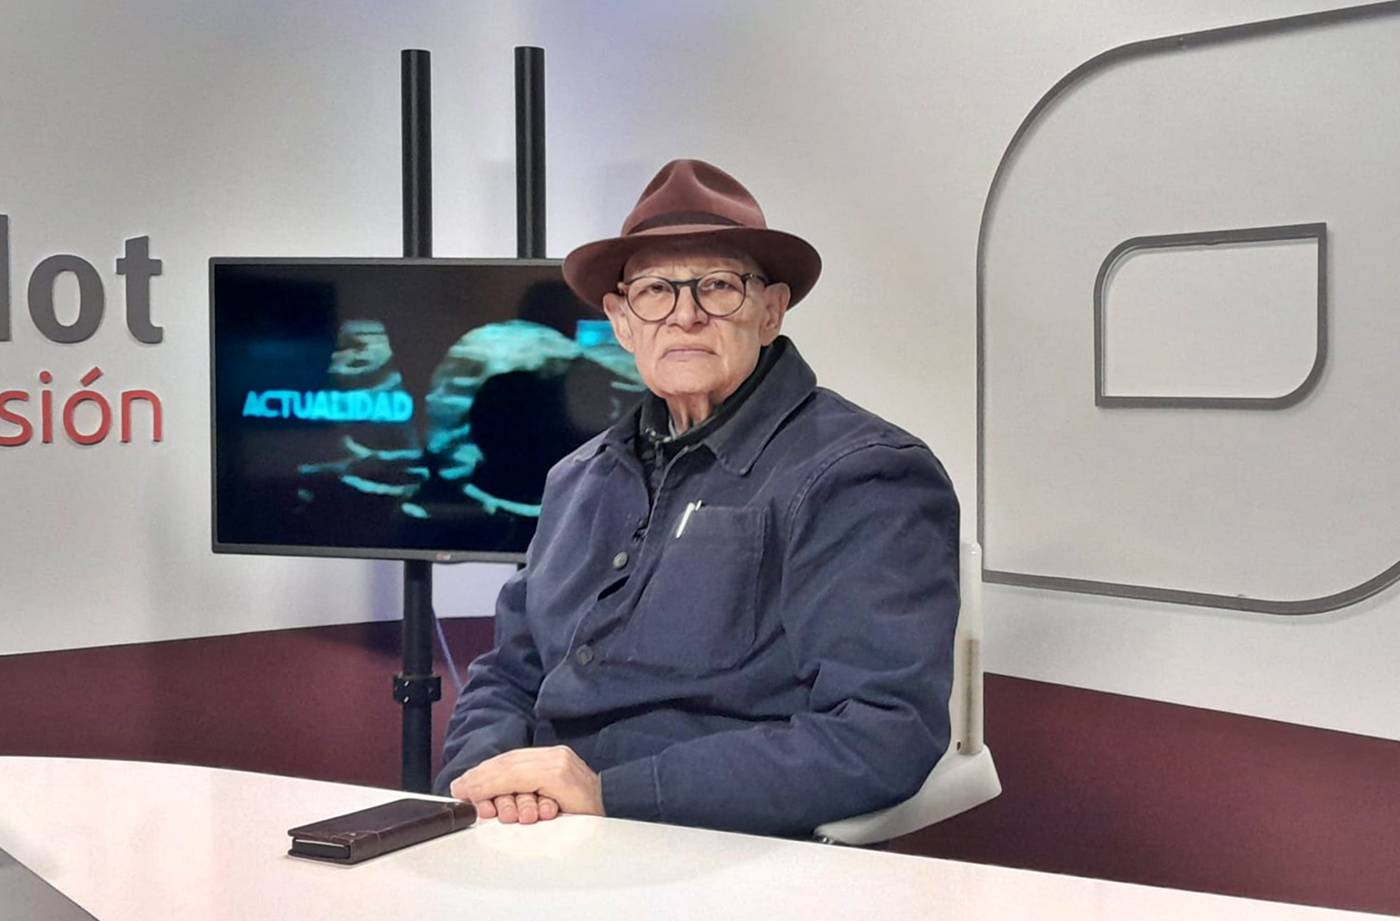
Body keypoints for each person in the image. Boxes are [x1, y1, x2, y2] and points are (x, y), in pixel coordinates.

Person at [434, 159, 959, 837]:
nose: (685, 315)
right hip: (534, 834)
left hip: (714, 847)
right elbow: (508, 673)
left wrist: (610, 794)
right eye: (655, 290)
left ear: (770, 311)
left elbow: (884, 731)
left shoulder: (865, 474)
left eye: (717, 286)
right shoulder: (574, 479)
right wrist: (486, 782)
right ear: (622, 322)